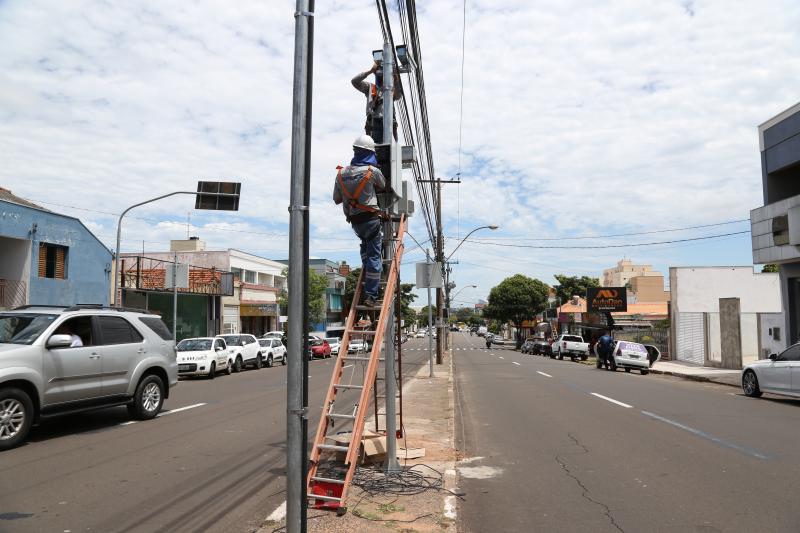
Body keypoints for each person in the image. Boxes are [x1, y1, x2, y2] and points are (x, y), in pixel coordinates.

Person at [333, 134, 386, 308]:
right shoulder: (372, 171)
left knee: (366, 248)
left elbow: (337, 199)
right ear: (370, 153)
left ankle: (367, 280)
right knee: (374, 257)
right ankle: (371, 295)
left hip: (355, 223)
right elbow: (383, 186)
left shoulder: (341, 173)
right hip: (371, 220)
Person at [351, 61, 402, 143]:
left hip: (388, 123)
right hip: (374, 123)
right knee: (376, 149)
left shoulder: (391, 90)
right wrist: (370, 71)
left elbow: (398, 95)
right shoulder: (370, 88)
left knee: (389, 151)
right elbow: (354, 81)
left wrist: (396, 80)